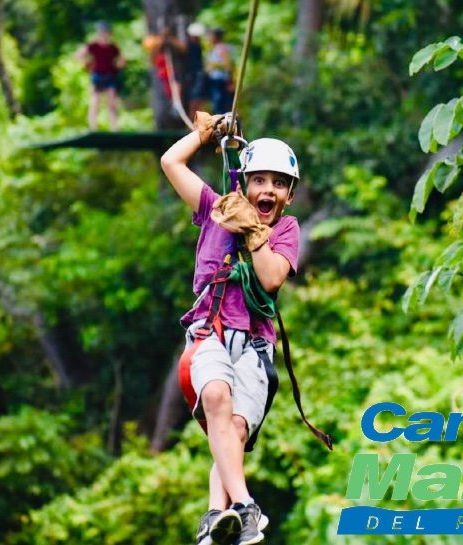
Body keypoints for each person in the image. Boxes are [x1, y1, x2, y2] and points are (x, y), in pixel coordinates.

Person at [160, 113, 301, 545]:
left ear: (289, 195)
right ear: (243, 183)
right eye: (259, 181)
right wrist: (205, 134)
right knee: (216, 396)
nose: (268, 191)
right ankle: (244, 506)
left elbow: (272, 278)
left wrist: (255, 232)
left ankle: (214, 518)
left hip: (256, 345)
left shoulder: (285, 230)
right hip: (210, 331)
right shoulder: (214, 208)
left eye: (278, 184)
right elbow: (170, 163)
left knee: (236, 430)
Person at [75, 21, 125, 131]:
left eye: (106, 32)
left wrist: (118, 66)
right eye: (102, 32)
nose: (104, 34)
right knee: (95, 102)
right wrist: (86, 64)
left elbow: (122, 61)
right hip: (97, 76)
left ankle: (115, 128)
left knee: (112, 104)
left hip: (110, 76)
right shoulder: (93, 46)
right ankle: (93, 128)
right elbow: (78, 55)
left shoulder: (113, 47)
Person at [205, 28, 234, 114]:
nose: (209, 38)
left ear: (216, 37)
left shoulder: (222, 48)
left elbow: (227, 65)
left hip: (220, 81)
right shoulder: (215, 48)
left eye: (210, 36)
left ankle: (222, 125)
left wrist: (213, 65)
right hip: (215, 80)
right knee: (217, 104)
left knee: (220, 105)